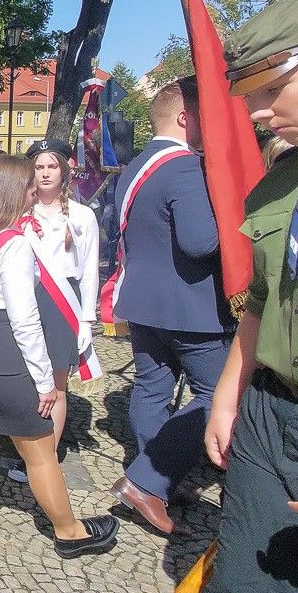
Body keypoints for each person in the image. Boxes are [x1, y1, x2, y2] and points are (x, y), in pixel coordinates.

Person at [0, 154, 118, 575]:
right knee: (40, 452)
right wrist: (44, 381)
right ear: (15, 192)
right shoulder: (13, 243)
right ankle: (70, 532)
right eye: (30, 188)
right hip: (2, 350)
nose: (35, 193)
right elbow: (25, 319)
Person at [108, 77, 234, 535]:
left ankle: (160, 476)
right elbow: (201, 242)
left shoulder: (136, 166)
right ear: (186, 117)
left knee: (152, 389)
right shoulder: (184, 168)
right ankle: (148, 481)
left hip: (143, 302)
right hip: (190, 308)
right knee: (217, 395)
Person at [205, 0, 298, 592]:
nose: (258, 114)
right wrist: (227, 394)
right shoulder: (277, 187)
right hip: (269, 410)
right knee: (243, 578)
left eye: (269, 90)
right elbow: (261, 303)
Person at [7, 138, 99, 484]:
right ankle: (25, 448)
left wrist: (87, 319)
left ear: (65, 170)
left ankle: (46, 456)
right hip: (25, 302)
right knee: (26, 379)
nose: (45, 173)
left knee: (56, 385)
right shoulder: (19, 214)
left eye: (51, 166)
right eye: (39, 167)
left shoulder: (82, 215)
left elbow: (89, 270)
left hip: (62, 305)